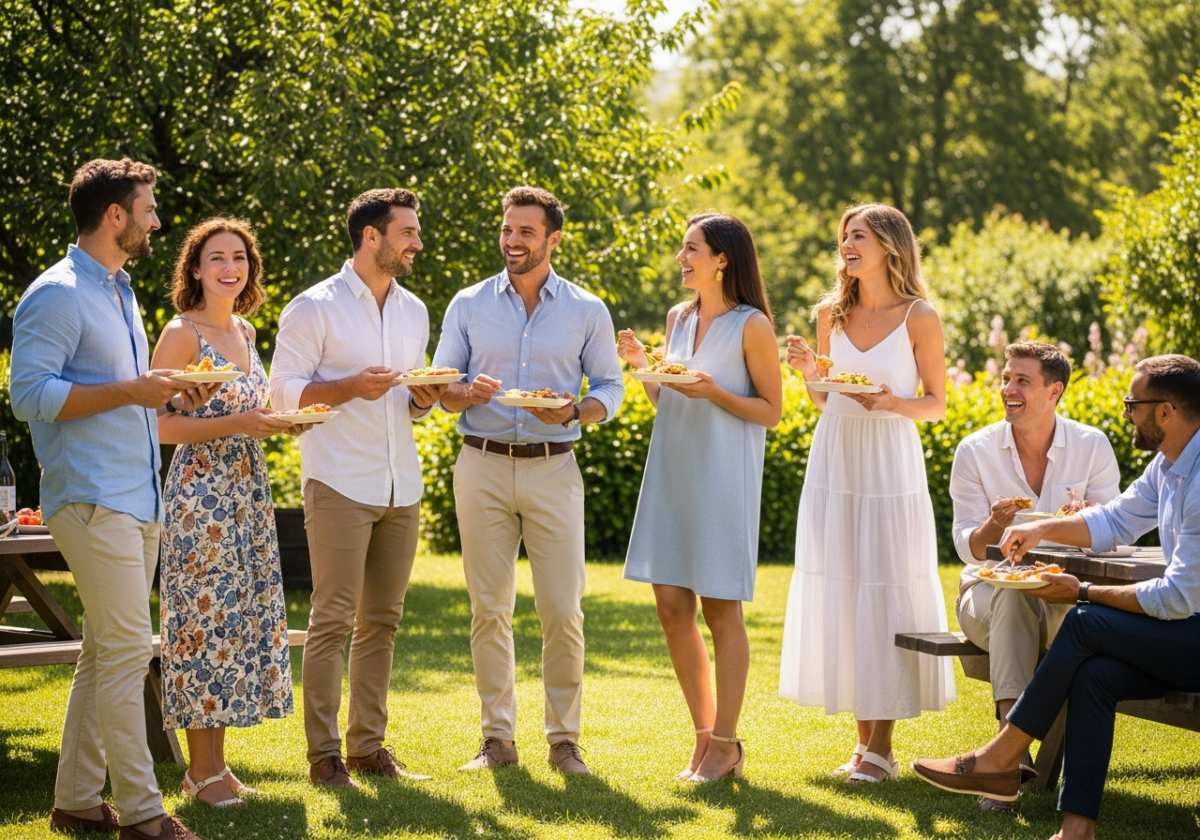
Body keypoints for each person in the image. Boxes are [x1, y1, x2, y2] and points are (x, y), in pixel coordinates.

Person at [912, 354, 1200, 840]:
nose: (1126, 412)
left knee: (1085, 621)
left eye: (1133, 403)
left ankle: (1001, 757)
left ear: (1166, 411)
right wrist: (1042, 525)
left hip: (1192, 631)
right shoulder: (1167, 466)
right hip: (1184, 633)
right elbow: (1112, 520)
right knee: (1095, 672)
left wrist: (1083, 589)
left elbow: (1179, 596)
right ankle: (1075, 829)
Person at [9, 158, 208, 839]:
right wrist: (132, 391)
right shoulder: (56, 293)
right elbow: (28, 395)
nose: (157, 220)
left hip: (135, 497)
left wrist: (170, 390)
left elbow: (120, 391)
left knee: (104, 651)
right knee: (129, 652)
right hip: (92, 501)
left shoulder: (119, 291)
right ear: (114, 215)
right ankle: (144, 815)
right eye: (148, 208)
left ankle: (74, 800)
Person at [431, 186, 625, 775]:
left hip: (554, 466)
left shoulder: (588, 309)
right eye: (507, 230)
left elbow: (610, 390)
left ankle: (564, 741)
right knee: (489, 609)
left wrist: (571, 412)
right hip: (481, 464)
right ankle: (497, 741)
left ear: (552, 240)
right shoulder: (468, 303)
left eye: (525, 233)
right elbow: (442, 389)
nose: (512, 242)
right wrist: (466, 393)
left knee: (563, 611)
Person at [269, 188, 448, 788]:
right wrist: (347, 387)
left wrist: (422, 401)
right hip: (339, 480)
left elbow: (407, 402)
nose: (417, 243)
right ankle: (324, 757)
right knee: (332, 620)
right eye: (407, 233)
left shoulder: (415, 310)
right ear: (372, 236)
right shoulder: (312, 307)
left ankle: (368, 747)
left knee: (383, 622)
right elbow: (281, 397)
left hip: (402, 485)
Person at [778, 203, 954, 783]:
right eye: (844, 237)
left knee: (885, 587)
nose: (847, 245)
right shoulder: (832, 312)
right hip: (837, 456)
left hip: (887, 461)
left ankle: (882, 745)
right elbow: (826, 399)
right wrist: (808, 368)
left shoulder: (918, 316)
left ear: (890, 246)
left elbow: (936, 403)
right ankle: (864, 746)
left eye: (859, 236)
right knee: (847, 588)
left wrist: (893, 403)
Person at [618, 213, 783, 782]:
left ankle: (727, 744)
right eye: (682, 249)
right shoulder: (677, 319)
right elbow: (670, 402)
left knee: (719, 609)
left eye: (692, 249)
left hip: (722, 477)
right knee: (671, 608)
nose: (681, 258)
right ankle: (704, 736)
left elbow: (772, 412)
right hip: (672, 471)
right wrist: (644, 368)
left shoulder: (751, 325)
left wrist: (714, 391)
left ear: (722, 259)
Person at [153, 218, 299, 808]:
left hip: (247, 493)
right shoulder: (181, 332)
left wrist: (274, 421)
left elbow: (250, 408)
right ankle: (200, 771)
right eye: (216, 257)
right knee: (202, 627)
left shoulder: (246, 328)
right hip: (200, 499)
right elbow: (156, 423)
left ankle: (214, 768)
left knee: (233, 629)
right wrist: (237, 423)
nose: (229, 267)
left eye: (238, 257)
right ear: (195, 268)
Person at [949, 340, 1120, 812]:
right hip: (985, 594)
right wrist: (993, 526)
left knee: (1041, 603)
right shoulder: (975, 450)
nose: (1008, 389)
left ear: (1054, 391)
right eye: (1006, 378)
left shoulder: (1091, 446)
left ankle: (1002, 761)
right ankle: (1012, 752)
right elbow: (967, 544)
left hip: (1063, 598)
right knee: (1010, 596)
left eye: (1021, 380)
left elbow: (1114, 533)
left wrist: (1087, 519)